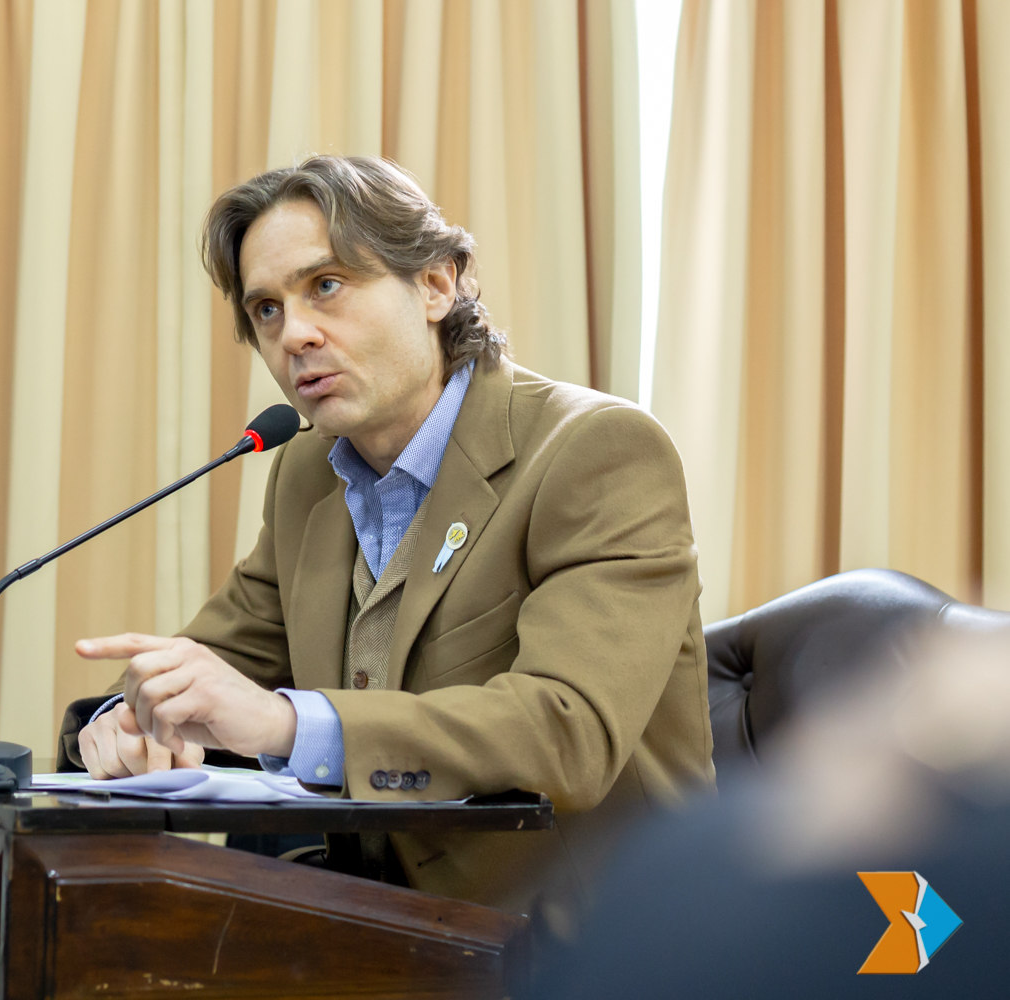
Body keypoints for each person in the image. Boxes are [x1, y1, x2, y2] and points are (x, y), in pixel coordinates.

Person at [63, 155, 714, 932]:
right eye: (266, 309)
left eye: (326, 285)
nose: (294, 334)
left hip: (593, 944)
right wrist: (131, 720)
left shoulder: (597, 450)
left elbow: (568, 729)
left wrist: (283, 724)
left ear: (436, 285)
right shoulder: (307, 473)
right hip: (380, 930)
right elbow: (219, 661)